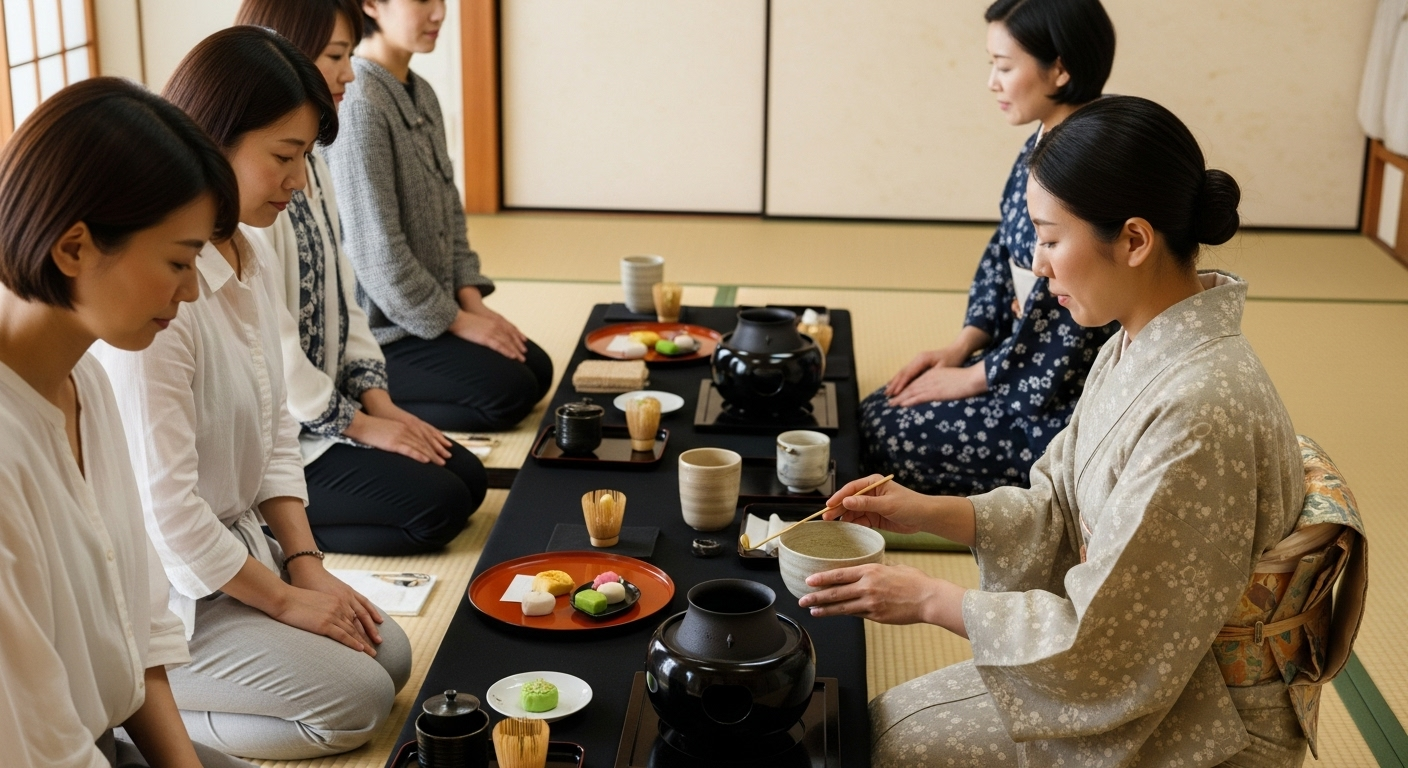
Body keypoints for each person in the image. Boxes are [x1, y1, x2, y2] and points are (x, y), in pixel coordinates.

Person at [802, 97, 1314, 765]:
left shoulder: (1198, 411)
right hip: (1154, 671)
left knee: (889, 743)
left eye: (1049, 239)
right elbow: (1056, 507)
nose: (1039, 267)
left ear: (1133, 240)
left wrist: (930, 596)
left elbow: (1110, 643)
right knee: (872, 727)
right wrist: (928, 513)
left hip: (1203, 715)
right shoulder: (1134, 341)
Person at [95, 28, 411, 760]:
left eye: (304, 159)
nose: (297, 182)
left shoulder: (247, 248)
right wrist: (285, 603)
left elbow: (276, 435)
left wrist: (305, 567)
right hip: (176, 591)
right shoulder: (157, 295)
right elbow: (169, 512)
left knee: (387, 657)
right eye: (283, 157)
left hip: (245, 553)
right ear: (212, 138)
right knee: (357, 701)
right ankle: (135, 718)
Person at [0, 78, 254, 767]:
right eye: (178, 260)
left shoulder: (82, 374)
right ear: (74, 247)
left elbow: (136, 622)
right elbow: (37, 746)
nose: (192, 289)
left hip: (101, 740)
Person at [234, 0, 486, 556]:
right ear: (282, 59)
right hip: (287, 441)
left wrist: (381, 404)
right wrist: (360, 426)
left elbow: (345, 300)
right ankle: (274, 533)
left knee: (468, 479)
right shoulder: (251, 193)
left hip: (334, 407)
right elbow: (275, 355)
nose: (350, 71)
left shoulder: (313, 158)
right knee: (437, 507)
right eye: (335, 56)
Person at [861, 0, 1119, 496]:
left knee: (885, 431)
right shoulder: (1047, 140)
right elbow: (1002, 254)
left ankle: (1055, 489)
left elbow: (1073, 331)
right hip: (1020, 358)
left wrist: (978, 376)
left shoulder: (1089, 163)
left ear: (1060, 70)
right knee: (880, 408)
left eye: (1003, 67)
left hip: (1064, 397)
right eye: (991, 66)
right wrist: (963, 346)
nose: (992, 83)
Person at [324, 0, 553, 432]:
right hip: (382, 334)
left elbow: (451, 211)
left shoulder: (420, 90)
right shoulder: (358, 102)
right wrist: (459, 323)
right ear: (372, 4)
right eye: (423, 0)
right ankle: (360, 401)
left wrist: (473, 306)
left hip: (432, 310)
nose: (439, 14)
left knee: (536, 369)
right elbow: (377, 257)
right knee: (509, 394)